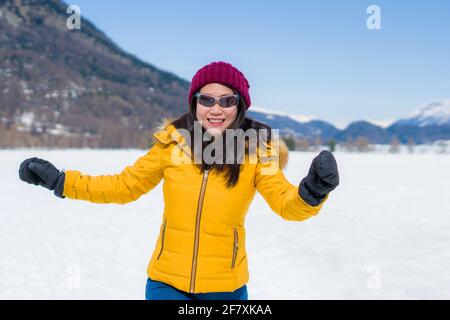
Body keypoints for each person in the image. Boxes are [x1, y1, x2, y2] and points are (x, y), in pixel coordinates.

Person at [18, 61, 339, 300]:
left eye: (227, 100)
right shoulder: (171, 144)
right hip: (165, 283)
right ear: (194, 102)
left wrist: (312, 192)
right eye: (207, 99)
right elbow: (122, 186)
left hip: (226, 288)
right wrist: (61, 181)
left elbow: (286, 204)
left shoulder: (258, 151)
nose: (216, 109)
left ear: (239, 107)